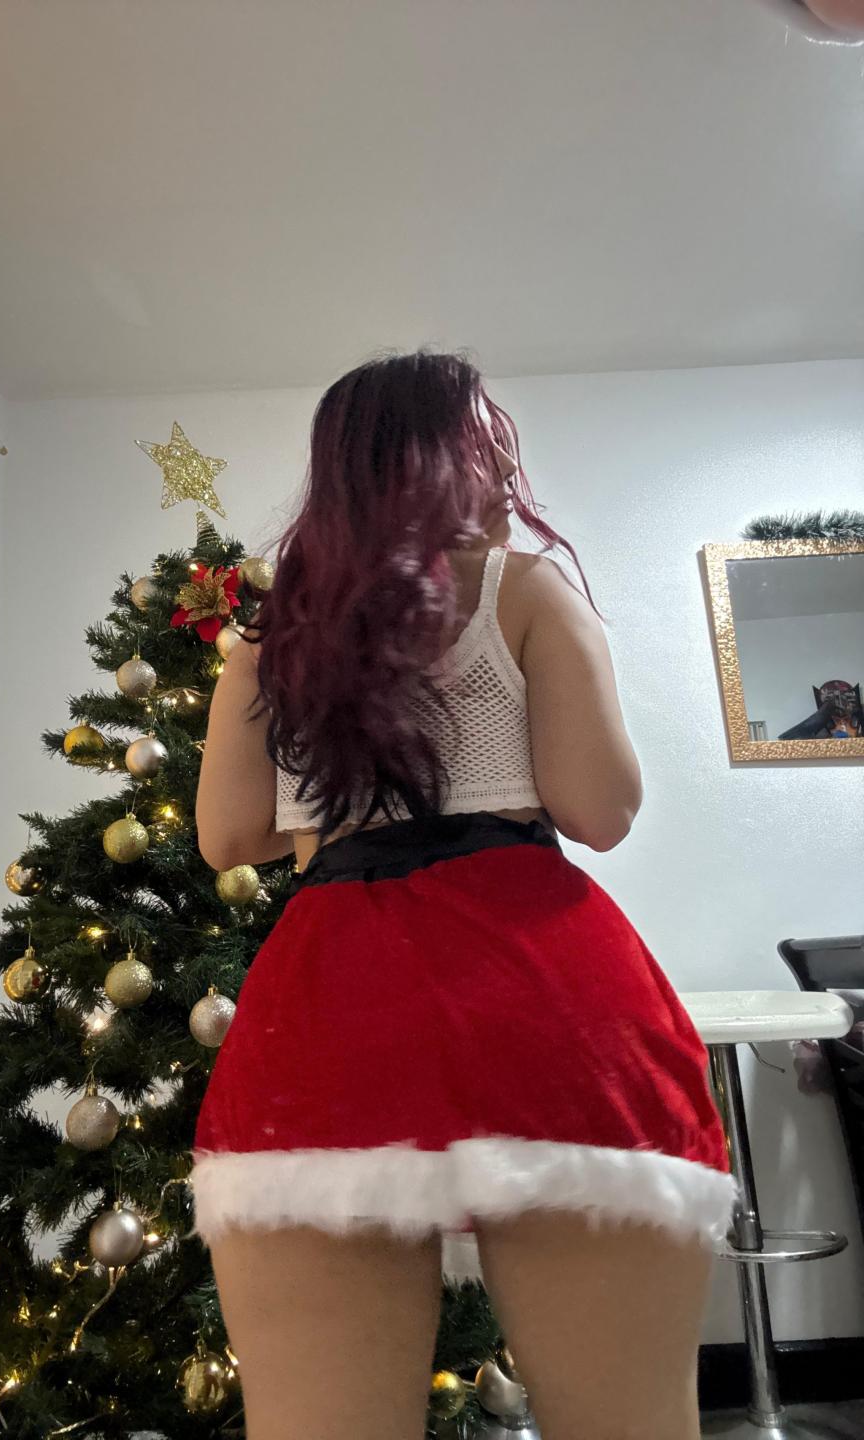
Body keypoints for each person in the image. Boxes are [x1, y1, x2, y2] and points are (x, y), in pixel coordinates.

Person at [192, 352, 735, 1440]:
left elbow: (229, 837)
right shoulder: (521, 588)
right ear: (460, 455)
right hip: (539, 989)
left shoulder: (270, 640)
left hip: (333, 1002)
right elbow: (599, 810)